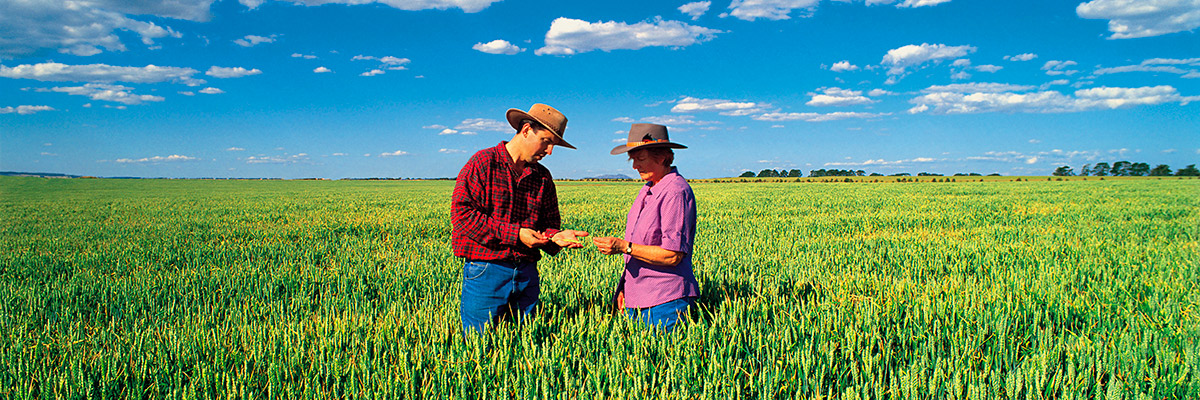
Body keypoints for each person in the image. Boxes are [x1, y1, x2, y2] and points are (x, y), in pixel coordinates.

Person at [451, 103, 589, 335]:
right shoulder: (483, 163)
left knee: (525, 343)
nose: (549, 151)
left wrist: (556, 236)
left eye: (553, 145)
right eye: (546, 141)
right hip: (486, 269)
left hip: (527, 272)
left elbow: (548, 224)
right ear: (526, 130)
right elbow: (463, 216)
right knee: (478, 346)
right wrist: (516, 234)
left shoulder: (542, 177)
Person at [593, 123, 699, 333]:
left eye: (640, 159)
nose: (634, 166)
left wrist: (624, 247)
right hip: (637, 299)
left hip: (665, 302)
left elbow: (672, 255)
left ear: (662, 157)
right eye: (632, 159)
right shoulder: (648, 189)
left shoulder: (675, 192)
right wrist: (625, 288)